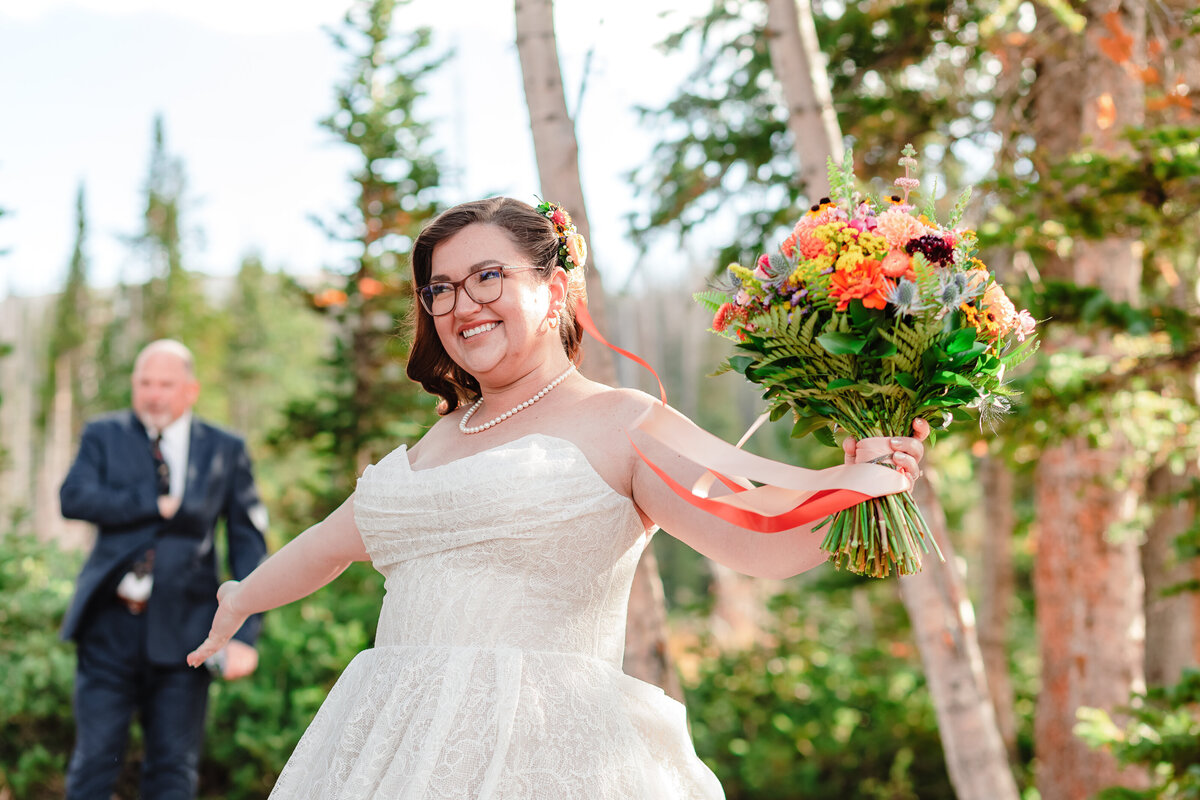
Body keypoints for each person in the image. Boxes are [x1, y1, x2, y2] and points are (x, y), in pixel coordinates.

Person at [187, 198, 928, 799]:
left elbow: (754, 541)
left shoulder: (621, 421)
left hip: (548, 757)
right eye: (439, 288)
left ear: (552, 290)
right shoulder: (429, 447)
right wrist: (240, 596)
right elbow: (327, 543)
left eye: (486, 277)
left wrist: (864, 486)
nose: (459, 304)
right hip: (387, 749)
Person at [60, 339, 269, 800]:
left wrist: (245, 634)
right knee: (93, 763)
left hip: (188, 632)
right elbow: (72, 498)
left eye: (165, 384)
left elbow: (248, 544)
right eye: (145, 383)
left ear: (191, 390)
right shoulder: (104, 434)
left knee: (174, 770)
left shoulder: (226, 448)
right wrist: (152, 505)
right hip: (108, 628)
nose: (153, 394)